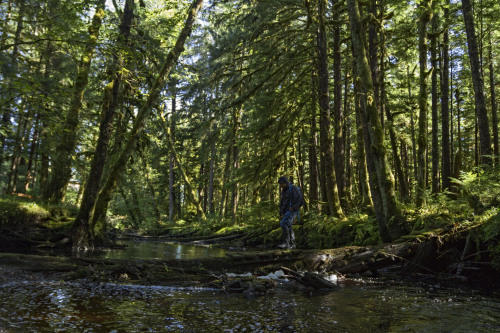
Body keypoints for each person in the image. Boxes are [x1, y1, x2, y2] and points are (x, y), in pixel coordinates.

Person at [277, 176, 301, 249]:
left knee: (283, 224)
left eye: (281, 184)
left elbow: (299, 199)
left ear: (285, 182)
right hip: (286, 211)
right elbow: (283, 203)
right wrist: (281, 212)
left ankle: (286, 243)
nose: (280, 186)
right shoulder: (284, 191)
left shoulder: (292, 188)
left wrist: (293, 207)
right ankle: (292, 245)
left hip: (292, 210)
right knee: (289, 226)